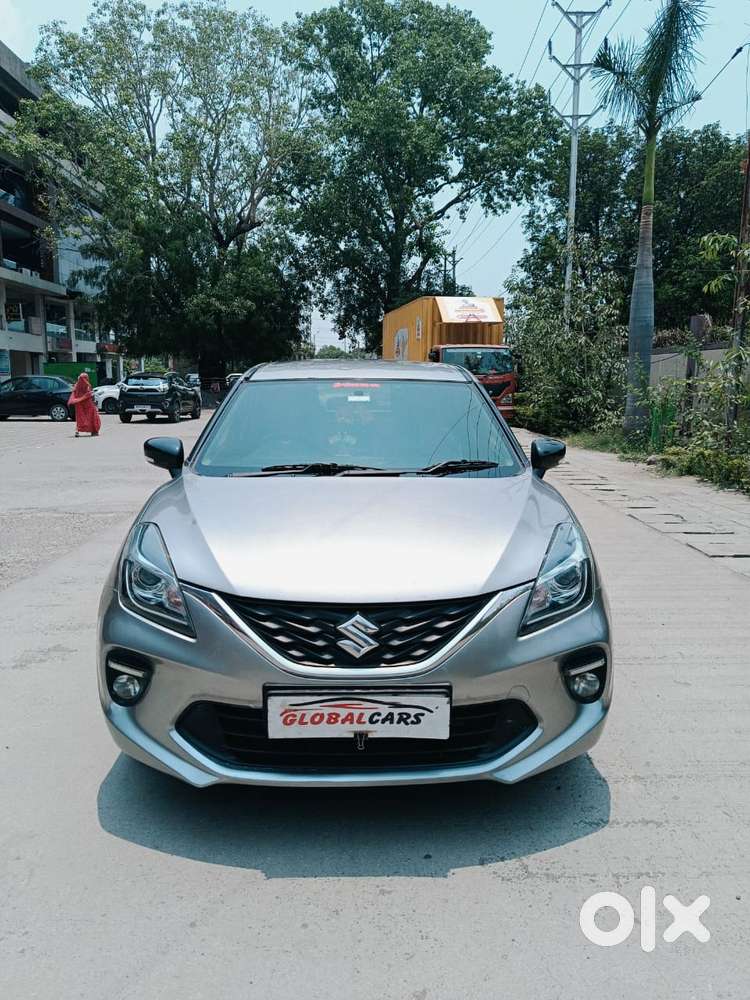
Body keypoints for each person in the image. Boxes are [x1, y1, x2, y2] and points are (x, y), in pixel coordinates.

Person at [68, 372, 101, 437]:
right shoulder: (87, 385)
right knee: (92, 417)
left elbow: (74, 393)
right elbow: (90, 394)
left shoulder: (76, 385)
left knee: (80, 418)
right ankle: (94, 431)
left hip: (79, 404)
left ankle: (77, 430)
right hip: (88, 405)